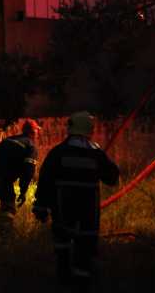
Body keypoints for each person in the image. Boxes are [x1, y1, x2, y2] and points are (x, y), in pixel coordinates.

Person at [33, 111, 119, 293]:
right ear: (90, 129)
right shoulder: (96, 153)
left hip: (63, 212)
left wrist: (41, 207)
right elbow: (111, 178)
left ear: (70, 129)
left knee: (62, 246)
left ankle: (63, 279)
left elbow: (46, 181)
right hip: (88, 215)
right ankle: (81, 285)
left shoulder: (58, 152)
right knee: (84, 253)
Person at [0, 119, 40, 235]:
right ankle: (3, 234)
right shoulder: (30, 146)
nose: (37, 134)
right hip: (5, 178)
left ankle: (0, 231)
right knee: (9, 206)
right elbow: (29, 170)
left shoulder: (8, 139)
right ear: (33, 132)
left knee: (6, 200)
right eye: (36, 131)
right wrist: (23, 191)